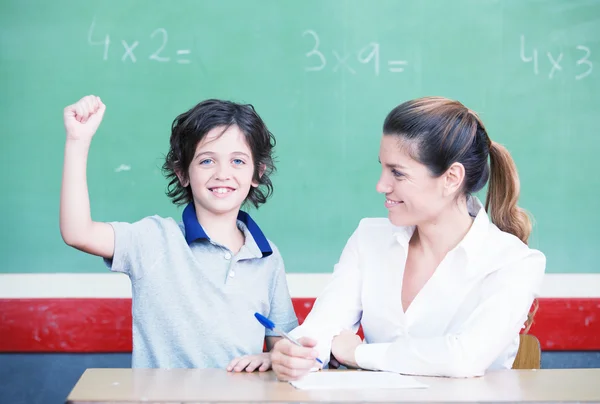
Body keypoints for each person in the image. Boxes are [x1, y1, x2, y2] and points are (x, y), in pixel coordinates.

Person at [270, 96, 546, 379]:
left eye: (397, 173)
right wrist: (296, 353)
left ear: (451, 178)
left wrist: (358, 354)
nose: (381, 185)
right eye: (383, 168)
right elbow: (324, 327)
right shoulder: (369, 238)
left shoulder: (514, 262)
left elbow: (465, 359)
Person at [60, 95, 298, 370]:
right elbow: (77, 232)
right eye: (207, 161)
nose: (223, 173)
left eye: (238, 161)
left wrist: (275, 357)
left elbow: (282, 343)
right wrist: (78, 142)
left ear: (257, 172)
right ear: (183, 173)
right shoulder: (154, 239)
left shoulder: (266, 256)